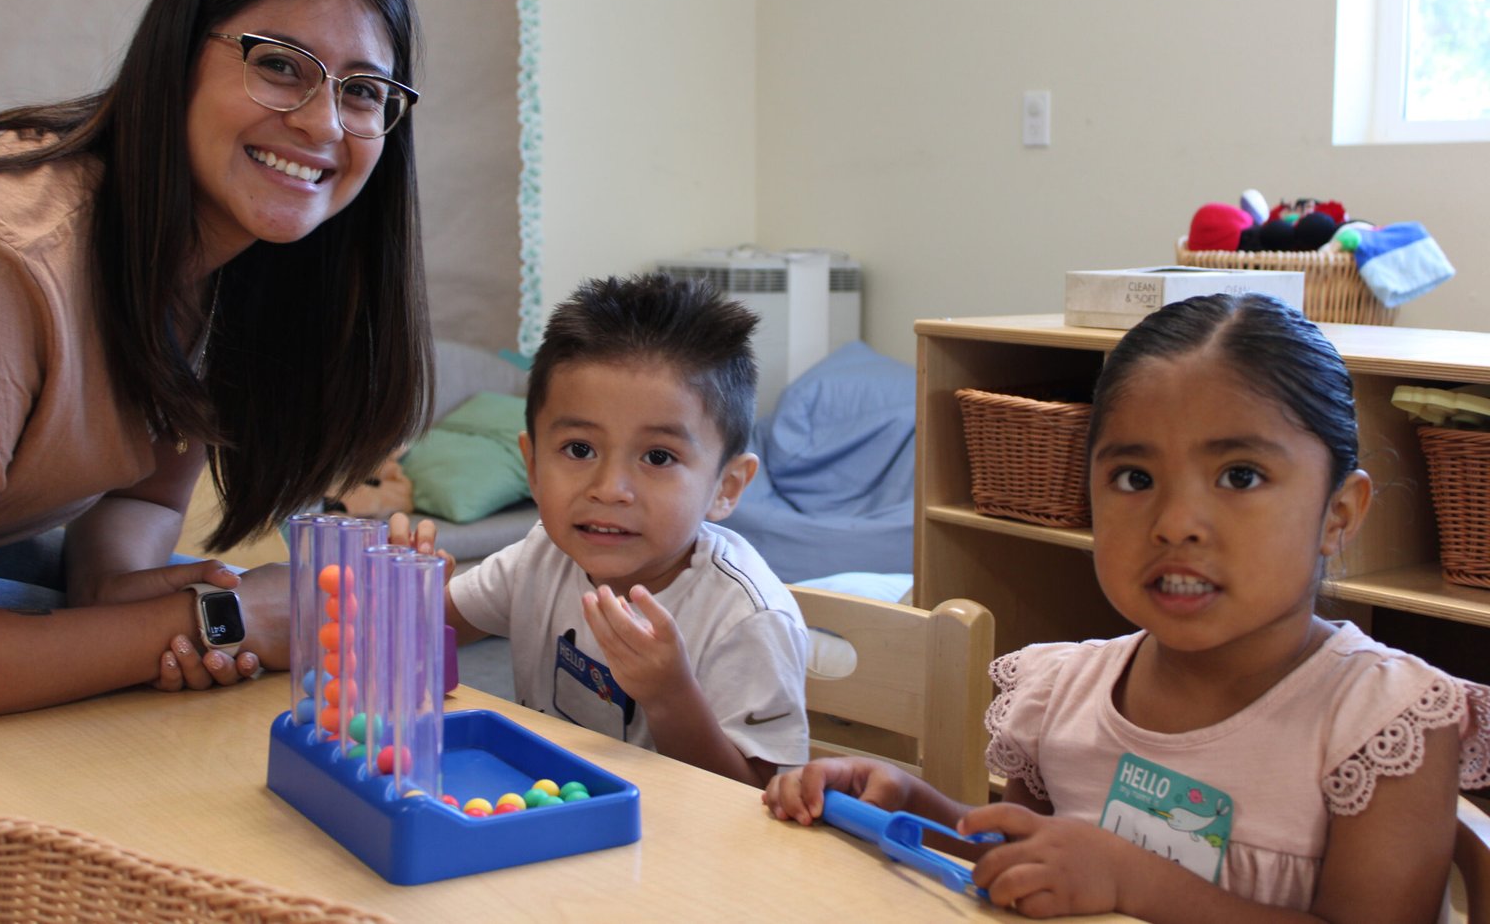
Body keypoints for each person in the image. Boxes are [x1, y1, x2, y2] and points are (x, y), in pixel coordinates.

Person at [765, 293, 1490, 921]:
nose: (1175, 520)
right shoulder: (1061, 694)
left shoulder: (1384, 724)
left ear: (1339, 513)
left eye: (1239, 475)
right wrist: (912, 807)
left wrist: (1132, 878)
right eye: (1135, 475)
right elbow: (1035, 867)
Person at [0, 0, 433, 724]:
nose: (323, 123)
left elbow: (136, 501)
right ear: (173, 60)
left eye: (361, 90)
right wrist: (223, 619)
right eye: (281, 66)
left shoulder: (232, 258)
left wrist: (119, 592)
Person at [398, 273, 810, 788]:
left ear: (726, 487)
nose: (610, 488)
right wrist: (404, 591)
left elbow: (757, 802)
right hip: (552, 825)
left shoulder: (745, 620)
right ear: (532, 465)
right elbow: (431, 631)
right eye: (579, 449)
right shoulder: (544, 555)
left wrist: (670, 696)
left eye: (658, 456)